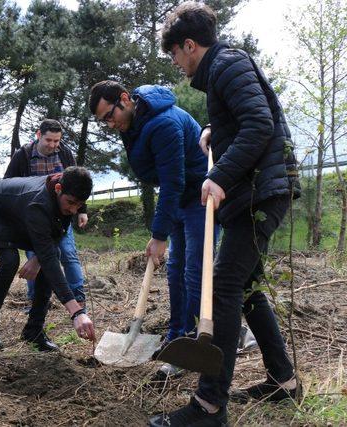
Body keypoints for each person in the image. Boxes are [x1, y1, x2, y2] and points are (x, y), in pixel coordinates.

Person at [148, 2, 301, 426]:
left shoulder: (227, 65)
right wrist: (219, 129)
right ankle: (284, 382)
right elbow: (248, 119)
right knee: (246, 285)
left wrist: (219, 174)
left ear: (190, 45)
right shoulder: (222, 71)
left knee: (225, 284)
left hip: (259, 191)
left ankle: (210, 406)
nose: (176, 64)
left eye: (175, 54)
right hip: (255, 190)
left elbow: (259, 124)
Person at [89, 81, 218, 379]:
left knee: (194, 271)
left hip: (200, 197)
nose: (109, 124)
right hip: (181, 198)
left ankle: (197, 344)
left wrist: (159, 235)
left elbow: (172, 181)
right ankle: (176, 336)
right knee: (175, 270)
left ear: (125, 99)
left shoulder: (162, 124)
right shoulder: (134, 123)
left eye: (109, 115)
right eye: (102, 121)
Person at [0, 166, 96, 351]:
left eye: (78, 205)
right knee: (9, 261)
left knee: (51, 256)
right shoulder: (39, 204)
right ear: (58, 189)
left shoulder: (69, 195)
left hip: (19, 211)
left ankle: (34, 331)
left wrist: (38, 258)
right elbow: (48, 256)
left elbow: (56, 234)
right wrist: (76, 311)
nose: (73, 210)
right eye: (70, 203)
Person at [4, 119, 88, 306]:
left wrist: (81, 210)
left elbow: (78, 183)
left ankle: (79, 299)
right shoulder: (23, 155)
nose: (52, 145)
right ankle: (36, 301)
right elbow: (8, 184)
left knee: (68, 254)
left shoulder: (64, 153)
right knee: (34, 257)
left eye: (56, 141)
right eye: (48, 140)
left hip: (61, 215)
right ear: (38, 135)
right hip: (33, 216)